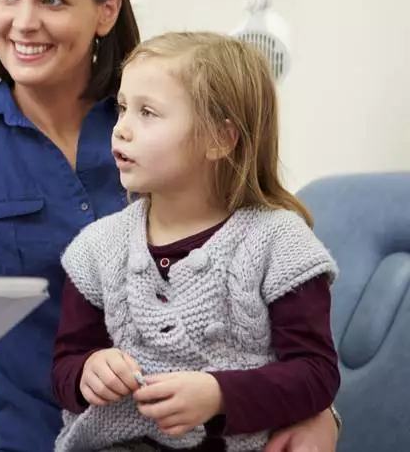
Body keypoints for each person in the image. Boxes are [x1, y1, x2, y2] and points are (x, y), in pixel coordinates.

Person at [0, 0, 340, 452]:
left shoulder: (170, 116)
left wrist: (319, 412)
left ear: (106, 11)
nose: (22, 21)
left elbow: (271, 324)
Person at [52, 31, 340, 452]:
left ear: (220, 139)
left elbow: (316, 374)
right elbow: (65, 365)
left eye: (148, 112)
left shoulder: (279, 243)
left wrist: (218, 395)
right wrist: (87, 372)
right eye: (122, 108)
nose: (121, 130)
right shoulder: (97, 249)